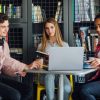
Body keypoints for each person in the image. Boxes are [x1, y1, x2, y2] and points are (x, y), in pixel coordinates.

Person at [0, 13, 41, 100]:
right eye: (3, 26)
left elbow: (5, 66)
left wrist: (17, 71)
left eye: (7, 26)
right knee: (14, 95)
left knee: (28, 90)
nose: (6, 29)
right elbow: (7, 60)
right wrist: (25, 66)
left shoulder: (4, 44)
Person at [37, 18, 71, 100]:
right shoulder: (41, 46)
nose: (50, 30)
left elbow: (69, 64)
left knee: (66, 88)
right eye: (47, 28)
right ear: (45, 30)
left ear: (56, 28)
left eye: (52, 27)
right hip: (45, 75)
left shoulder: (65, 45)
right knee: (50, 76)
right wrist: (40, 62)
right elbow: (38, 64)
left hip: (60, 75)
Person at [80, 13, 100, 100]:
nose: (98, 29)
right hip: (98, 77)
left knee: (85, 91)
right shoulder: (99, 44)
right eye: (96, 27)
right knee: (76, 91)